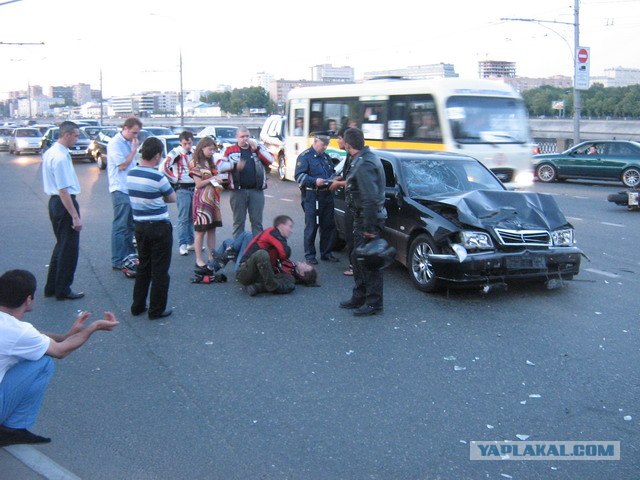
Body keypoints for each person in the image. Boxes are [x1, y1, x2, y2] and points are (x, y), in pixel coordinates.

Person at [0, 269, 118, 447]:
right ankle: (13, 429)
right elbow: (60, 351)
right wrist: (94, 327)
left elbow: (33, 337)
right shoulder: (19, 332)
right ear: (28, 299)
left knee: (32, 353)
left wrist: (66, 335)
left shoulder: (15, 329)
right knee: (43, 362)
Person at [127, 137, 176, 320]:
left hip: (140, 226)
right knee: (160, 271)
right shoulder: (157, 176)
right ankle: (156, 309)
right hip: (159, 227)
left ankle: (137, 305)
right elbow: (172, 198)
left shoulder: (132, 173)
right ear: (156, 156)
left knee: (144, 267)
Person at [339, 128, 387, 316]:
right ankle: (359, 296)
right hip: (363, 217)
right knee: (358, 260)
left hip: (368, 220)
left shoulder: (365, 162)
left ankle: (374, 303)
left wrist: (369, 228)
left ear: (348, 145)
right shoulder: (362, 158)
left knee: (369, 262)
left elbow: (369, 198)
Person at [41, 121, 85, 300]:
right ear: (66, 135)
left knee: (61, 245)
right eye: (75, 135)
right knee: (69, 248)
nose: (77, 139)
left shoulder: (51, 152)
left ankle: (51, 286)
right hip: (64, 203)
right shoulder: (59, 158)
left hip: (56, 203)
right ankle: (63, 289)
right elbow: (63, 190)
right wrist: (75, 216)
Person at [236, 215, 317, 296]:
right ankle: (271, 287)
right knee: (261, 253)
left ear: (302, 273)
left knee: (289, 283)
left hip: (258, 275)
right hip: (245, 271)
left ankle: (257, 287)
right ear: (281, 226)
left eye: (306, 266)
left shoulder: (291, 276)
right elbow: (285, 253)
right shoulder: (272, 232)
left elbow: (283, 258)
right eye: (290, 227)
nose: (291, 231)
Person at [217, 126, 274, 239]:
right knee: (238, 222)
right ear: (237, 137)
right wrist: (234, 165)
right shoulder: (230, 150)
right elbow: (219, 166)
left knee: (257, 222)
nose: (245, 139)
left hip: (256, 191)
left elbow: (270, 160)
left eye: (247, 136)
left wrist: (257, 148)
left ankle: (257, 249)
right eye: (242, 137)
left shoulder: (258, 148)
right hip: (238, 191)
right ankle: (238, 248)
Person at [294, 135, 338, 265]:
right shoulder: (305, 156)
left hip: (327, 194)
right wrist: (314, 181)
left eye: (326, 144)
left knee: (328, 225)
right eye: (322, 144)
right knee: (312, 226)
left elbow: (332, 171)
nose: (324, 147)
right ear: (315, 142)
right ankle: (310, 255)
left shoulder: (326, 156)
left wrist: (334, 178)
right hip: (313, 195)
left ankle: (326, 252)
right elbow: (298, 176)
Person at [107, 117, 142, 271]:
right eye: (134, 133)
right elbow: (122, 165)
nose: (135, 136)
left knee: (130, 225)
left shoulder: (128, 142)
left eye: (137, 134)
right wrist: (134, 150)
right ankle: (118, 259)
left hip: (130, 188)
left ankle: (129, 256)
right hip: (120, 189)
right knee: (121, 226)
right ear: (126, 129)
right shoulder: (116, 144)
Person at [189, 136, 223, 270]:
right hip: (202, 201)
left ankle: (211, 257)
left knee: (212, 229)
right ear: (202, 148)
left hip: (213, 199)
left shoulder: (210, 162)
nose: (212, 152)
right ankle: (198, 259)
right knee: (200, 231)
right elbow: (198, 184)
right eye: (210, 149)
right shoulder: (195, 163)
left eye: (213, 150)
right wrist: (213, 179)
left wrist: (217, 180)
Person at [159, 130, 195, 256]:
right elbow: (163, 167)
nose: (187, 146)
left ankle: (191, 242)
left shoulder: (194, 152)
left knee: (191, 217)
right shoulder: (175, 152)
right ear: (181, 142)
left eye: (189, 143)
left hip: (193, 187)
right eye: (185, 143)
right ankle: (182, 244)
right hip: (182, 188)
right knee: (183, 218)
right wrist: (174, 178)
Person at [329, 127, 354, 276]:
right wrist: (339, 178)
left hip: (354, 203)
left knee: (352, 235)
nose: (337, 141)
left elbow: (354, 181)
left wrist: (338, 184)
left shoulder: (355, 157)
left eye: (339, 138)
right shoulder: (348, 156)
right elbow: (348, 177)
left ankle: (354, 266)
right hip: (349, 200)